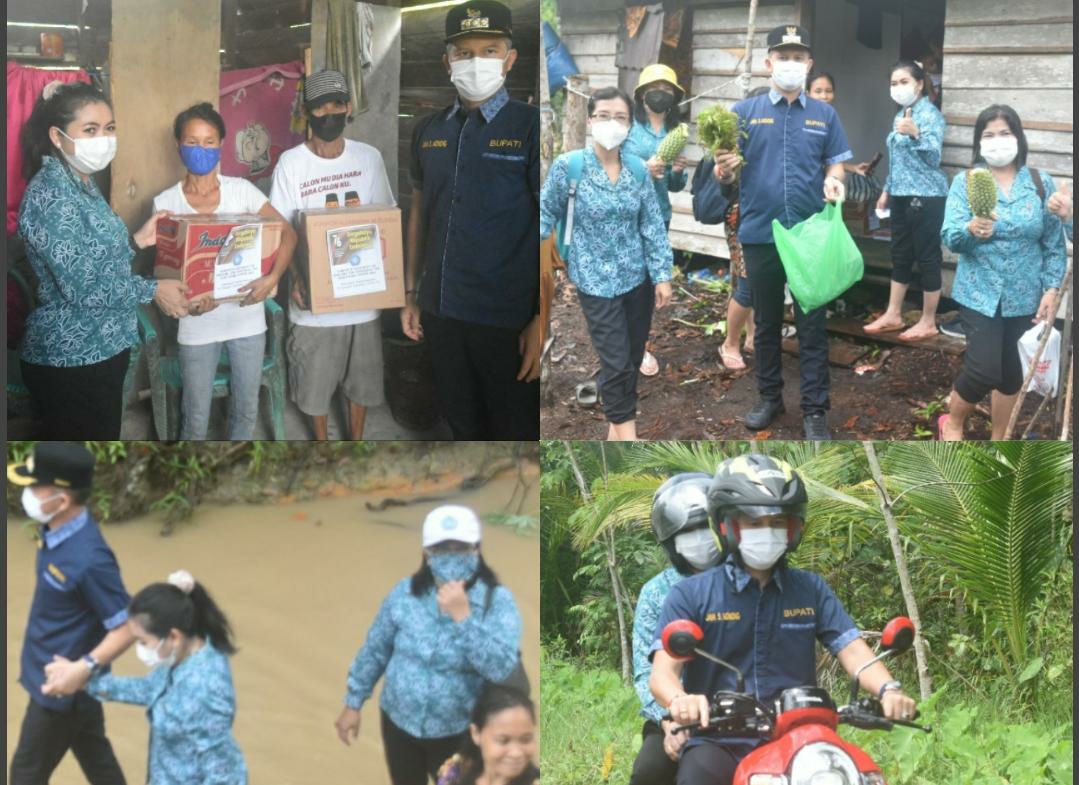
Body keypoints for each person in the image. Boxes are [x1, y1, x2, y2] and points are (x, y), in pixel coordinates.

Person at [649, 455, 918, 785]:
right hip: (719, 740)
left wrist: (889, 690)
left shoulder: (811, 589)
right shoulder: (690, 594)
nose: (768, 532)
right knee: (696, 776)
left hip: (801, 735)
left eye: (778, 522)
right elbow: (663, 673)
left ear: (794, 527)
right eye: (754, 523)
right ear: (726, 526)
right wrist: (681, 700)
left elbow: (853, 651)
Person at [17, 81, 191, 438]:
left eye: (109, 128)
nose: (104, 139)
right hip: (72, 355)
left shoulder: (80, 181)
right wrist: (154, 289)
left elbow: (93, 257)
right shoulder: (51, 196)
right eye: (90, 130)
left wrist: (137, 240)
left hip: (103, 346)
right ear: (57, 135)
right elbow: (84, 286)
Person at [401, 0, 541, 440]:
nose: (475, 61)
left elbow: (548, 226)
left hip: (506, 317)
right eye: (463, 52)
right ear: (447, 62)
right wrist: (410, 292)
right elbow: (420, 211)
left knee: (512, 424)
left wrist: (542, 318)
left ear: (510, 59)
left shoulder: (530, 127)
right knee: (461, 420)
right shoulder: (428, 130)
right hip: (441, 309)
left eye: (490, 49)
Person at [713, 26, 852, 440]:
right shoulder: (744, 112)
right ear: (768, 62)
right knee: (768, 323)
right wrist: (724, 170)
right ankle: (769, 398)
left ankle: (814, 410)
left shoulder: (824, 114)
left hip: (809, 235)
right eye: (783, 55)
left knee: (812, 324)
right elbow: (725, 174)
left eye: (798, 56)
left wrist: (834, 180)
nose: (791, 63)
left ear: (808, 64)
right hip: (760, 233)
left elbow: (836, 163)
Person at [335, 505, 523, 785]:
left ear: (476, 550)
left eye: (460, 547)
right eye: (441, 548)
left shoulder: (496, 602)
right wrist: (353, 702)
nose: (451, 554)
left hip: (459, 732)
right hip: (398, 723)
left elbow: (502, 669)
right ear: (426, 553)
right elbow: (375, 649)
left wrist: (463, 618)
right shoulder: (404, 593)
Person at [154, 102, 297, 439]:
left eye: (208, 141)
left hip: (247, 321)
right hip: (197, 327)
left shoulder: (242, 192)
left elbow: (288, 233)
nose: (200, 149)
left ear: (220, 145)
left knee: (246, 412)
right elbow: (163, 270)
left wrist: (273, 278)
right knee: (196, 417)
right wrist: (187, 302)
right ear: (178, 145)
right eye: (191, 141)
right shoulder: (165, 203)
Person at [540, 86, 673, 441]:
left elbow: (651, 224)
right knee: (615, 364)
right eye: (603, 115)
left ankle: (614, 440)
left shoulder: (638, 171)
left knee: (629, 361)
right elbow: (543, 212)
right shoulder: (570, 167)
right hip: (594, 280)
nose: (611, 123)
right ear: (589, 120)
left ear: (630, 125)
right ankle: (629, 441)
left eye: (620, 117)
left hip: (637, 279)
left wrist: (662, 275)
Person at [269, 69, 395, 440]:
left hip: (362, 296)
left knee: (364, 380)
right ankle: (322, 445)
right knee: (314, 384)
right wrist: (295, 276)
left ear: (348, 107)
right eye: (319, 108)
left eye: (336, 105)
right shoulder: (292, 164)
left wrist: (387, 280)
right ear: (307, 113)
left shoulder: (368, 158)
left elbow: (383, 221)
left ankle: (355, 440)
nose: (328, 114)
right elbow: (281, 229)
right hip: (314, 300)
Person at [7, 442, 135, 785]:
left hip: (60, 689)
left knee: (24, 776)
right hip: (64, 680)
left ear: (62, 500)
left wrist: (82, 669)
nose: (28, 493)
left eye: (35, 486)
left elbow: (127, 625)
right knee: (97, 760)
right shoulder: (56, 529)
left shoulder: (91, 559)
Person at [937, 105, 1066, 440]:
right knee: (983, 370)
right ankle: (952, 423)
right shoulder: (966, 182)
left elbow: (1054, 244)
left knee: (1011, 374)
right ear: (979, 143)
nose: (998, 141)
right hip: (980, 293)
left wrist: (1052, 289)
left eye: (1005, 133)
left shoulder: (1040, 183)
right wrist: (970, 228)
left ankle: (1000, 438)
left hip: (1025, 297)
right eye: (988, 135)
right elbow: (950, 238)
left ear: (1018, 137)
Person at [50, 571, 248, 785]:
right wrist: (85, 681)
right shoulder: (184, 653)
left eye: (143, 642)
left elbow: (223, 774)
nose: (140, 649)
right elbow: (149, 688)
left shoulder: (205, 692)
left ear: (173, 636)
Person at [630, 473, 723, 785]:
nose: (700, 537)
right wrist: (668, 719)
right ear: (671, 541)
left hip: (740, 705)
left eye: (705, 527)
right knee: (649, 772)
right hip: (674, 711)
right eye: (689, 531)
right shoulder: (656, 593)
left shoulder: (745, 581)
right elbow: (646, 675)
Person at [865, 61, 948, 342]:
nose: (898, 88)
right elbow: (898, 160)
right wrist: (887, 190)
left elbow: (934, 157)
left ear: (920, 83)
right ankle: (893, 313)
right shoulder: (899, 115)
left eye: (904, 82)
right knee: (899, 255)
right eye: (893, 83)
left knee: (927, 258)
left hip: (927, 196)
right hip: (900, 194)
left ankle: (928, 321)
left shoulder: (930, 116)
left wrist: (917, 134)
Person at [625, 64, 690, 378]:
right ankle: (619, 341)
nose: (660, 94)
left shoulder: (676, 133)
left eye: (667, 89)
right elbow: (613, 168)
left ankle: (640, 344)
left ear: (674, 96)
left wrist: (677, 171)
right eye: (655, 88)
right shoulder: (627, 128)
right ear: (641, 94)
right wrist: (642, 168)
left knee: (650, 284)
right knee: (626, 279)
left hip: (658, 216)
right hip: (624, 215)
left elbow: (676, 187)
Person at [434, 686, 540, 785]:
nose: (516, 753)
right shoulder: (455, 773)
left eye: (526, 740)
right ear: (476, 733)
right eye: (503, 741)